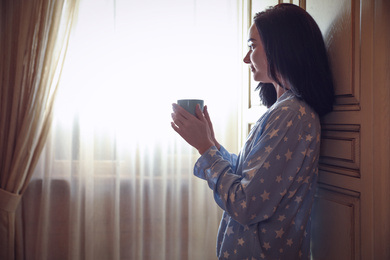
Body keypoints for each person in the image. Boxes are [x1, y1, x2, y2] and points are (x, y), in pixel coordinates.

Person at [171, 3, 334, 259]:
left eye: (252, 46)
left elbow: (245, 204)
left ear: (280, 47)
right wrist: (211, 143)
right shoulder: (282, 111)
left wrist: (205, 148)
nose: (246, 58)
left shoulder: (292, 115)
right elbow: (251, 177)